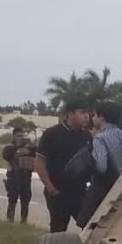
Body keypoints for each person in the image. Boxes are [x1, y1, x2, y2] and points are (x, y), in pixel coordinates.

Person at [35, 98, 93, 232]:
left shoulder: (87, 136)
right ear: (70, 114)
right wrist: (50, 187)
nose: (86, 116)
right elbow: (39, 162)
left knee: (90, 227)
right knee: (58, 230)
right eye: (82, 112)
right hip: (57, 192)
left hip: (80, 192)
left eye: (88, 113)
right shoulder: (52, 134)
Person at [77, 102, 122, 227]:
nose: (92, 118)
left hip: (104, 188)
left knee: (87, 222)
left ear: (101, 117)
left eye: (94, 115)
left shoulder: (100, 138)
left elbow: (101, 167)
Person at [1, 126, 36, 223]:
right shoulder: (9, 148)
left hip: (26, 178)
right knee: (12, 200)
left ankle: (23, 221)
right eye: (18, 136)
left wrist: (29, 148)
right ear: (13, 137)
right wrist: (17, 147)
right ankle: (10, 221)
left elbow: (36, 152)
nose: (20, 138)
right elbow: (5, 155)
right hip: (13, 178)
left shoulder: (29, 147)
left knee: (25, 201)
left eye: (22, 136)